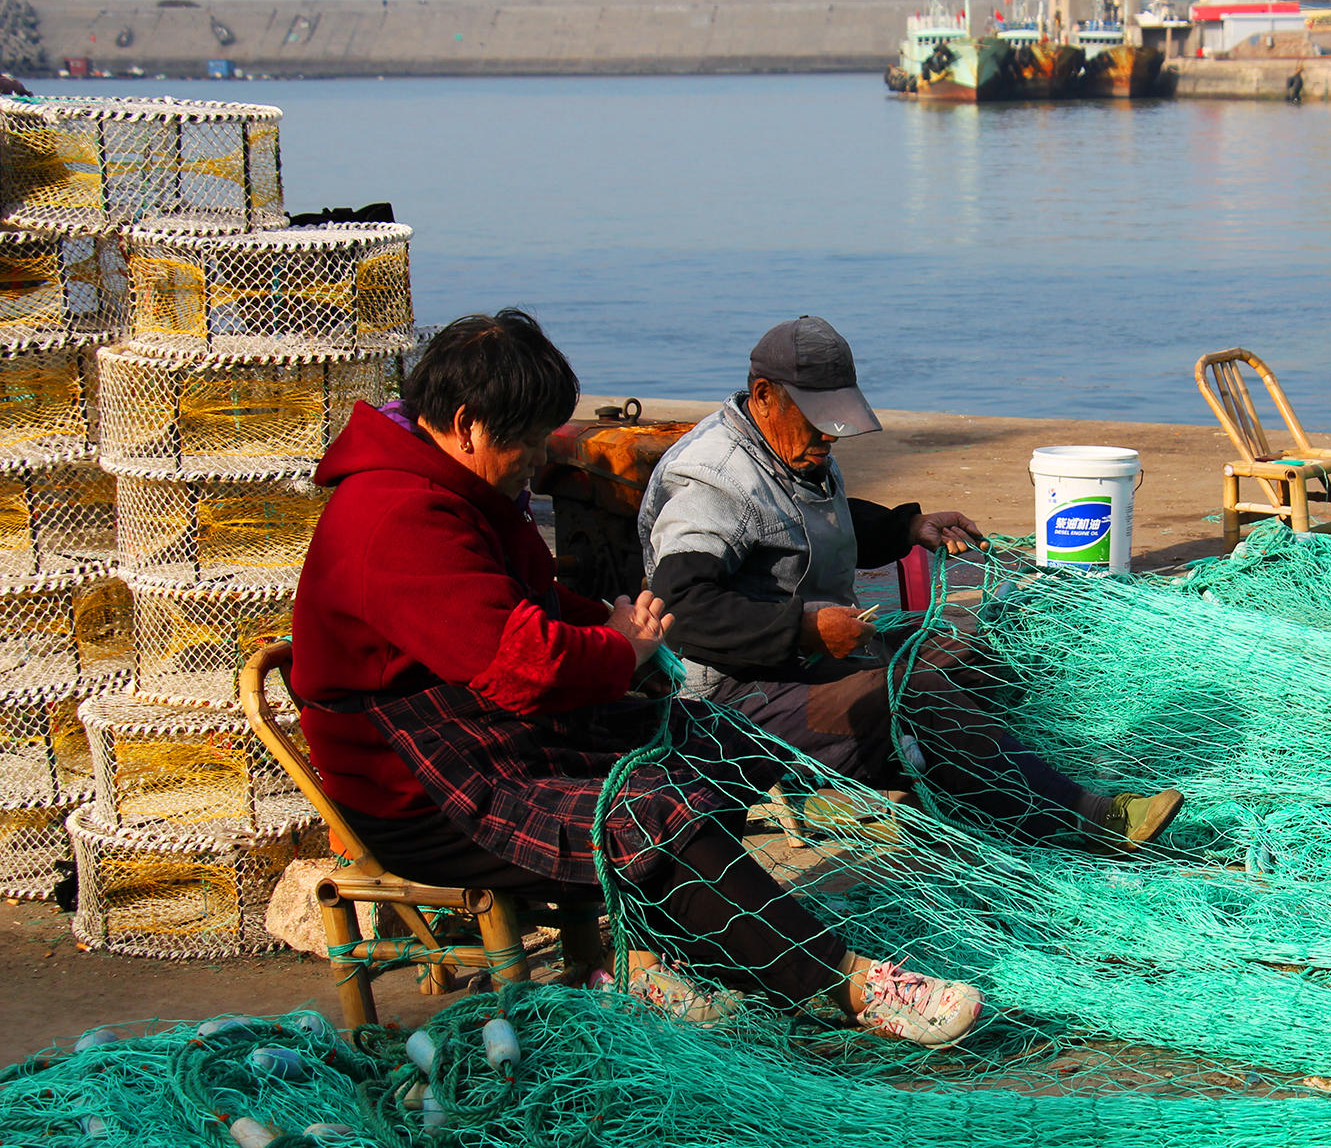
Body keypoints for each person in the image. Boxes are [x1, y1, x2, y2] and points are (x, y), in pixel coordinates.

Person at [289, 309, 980, 1047]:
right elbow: (525, 663)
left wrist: (610, 624)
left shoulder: (460, 492)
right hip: (423, 794)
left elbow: (529, 606)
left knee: (703, 739)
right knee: (648, 806)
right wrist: (621, 648)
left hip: (491, 733)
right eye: (525, 442)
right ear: (466, 425)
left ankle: (659, 956)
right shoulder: (396, 519)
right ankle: (841, 982)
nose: (534, 461)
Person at [637, 315, 1184, 850]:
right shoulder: (709, 479)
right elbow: (678, 608)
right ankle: (1088, 818)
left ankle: (981, 800)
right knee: (907, 694)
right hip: (729, 692)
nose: (831, 433)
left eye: (836, 417)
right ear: (763, 395)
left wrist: (906, 527)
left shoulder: (788, 447)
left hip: (810, 656)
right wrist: (802, 630)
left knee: (967, 657)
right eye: (817, 418)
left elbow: (806, 522)